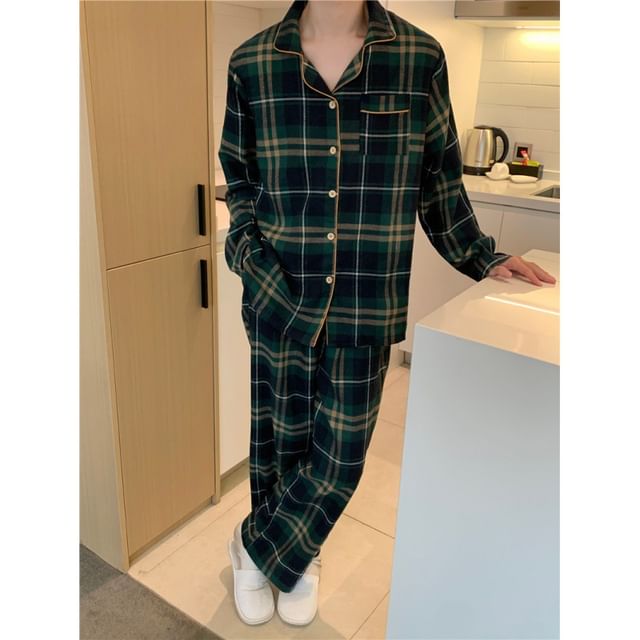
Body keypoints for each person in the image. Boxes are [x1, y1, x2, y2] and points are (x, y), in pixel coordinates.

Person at [218, 0, 556, 627]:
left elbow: (439, 180)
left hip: (366, 299)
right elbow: (239, 181)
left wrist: (482, 255)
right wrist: (247, 253)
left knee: (341, 456)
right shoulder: (253, 62)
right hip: (276, 293)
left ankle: (255, 545)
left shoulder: (418, 57)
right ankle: (296, 555)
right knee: (278, 441)